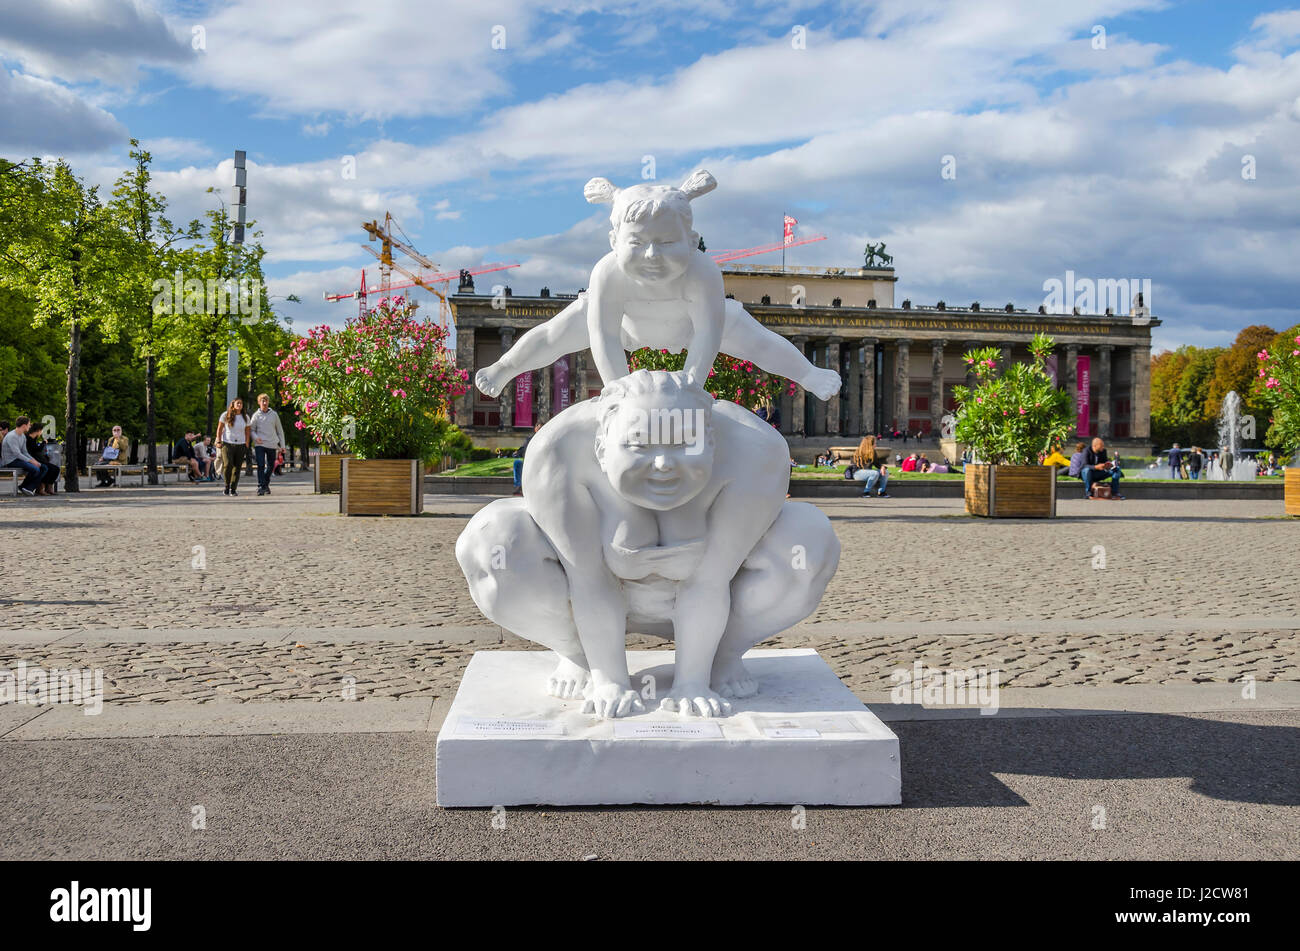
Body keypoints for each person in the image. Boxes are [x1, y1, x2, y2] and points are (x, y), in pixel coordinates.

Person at [471, 170, 842, 406]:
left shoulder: (702, 272)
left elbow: (709, 335)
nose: (651, 255)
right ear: (614, 241)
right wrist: (617, 390)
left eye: (666, 244)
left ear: (693, 240)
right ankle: (506, 366)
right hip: (626, 327)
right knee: (555, 333)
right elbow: (603, 337)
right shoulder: (608, 272)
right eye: (637, 244)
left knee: (755, 338)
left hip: (689, 327)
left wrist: (692, 385)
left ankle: (808, 374)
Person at [248, 393, 287, 496]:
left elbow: (280, 431)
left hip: (271, 443)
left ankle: (265, 484)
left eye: (266, 401)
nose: (264, 403)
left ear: (268, 402)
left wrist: (282, 446)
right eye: (262, 401)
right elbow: (251, 430)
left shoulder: (274, 415)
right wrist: (256, 438)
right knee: (260, 465)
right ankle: (261, 486)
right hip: (260, 444)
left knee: (270, 466)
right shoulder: (256, 415)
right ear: (259, 402)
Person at [1, 416, 45, 496]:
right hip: (10, 461)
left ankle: (25, 487)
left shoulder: (22, 436)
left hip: (18, 459)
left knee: (43, 467)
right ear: (24, 425)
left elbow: (24, 452)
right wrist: (32, 461)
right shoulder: (12, 436)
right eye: (29, 424)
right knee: (35, 469)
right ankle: (27, 488)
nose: (30, 426)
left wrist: (34, 460)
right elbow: (17, 454)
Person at [215, 398, 249, 496]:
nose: (239, 405)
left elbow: (247, 431)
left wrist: (246, 443)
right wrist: (218, 440)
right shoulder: (225, 415)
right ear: (233, 404)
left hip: (241, 444)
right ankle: (226, 486)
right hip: (227, 443)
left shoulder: (245, 417)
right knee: (228, 464)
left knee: (237, 467)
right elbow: (219, 429)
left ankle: (233, 489)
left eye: (241, 403)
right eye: (238, 403)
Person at [25, 420, 59, 494]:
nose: (42, 432)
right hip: (31, 460)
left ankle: (48, 487)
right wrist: (43, 443)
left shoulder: (33, 439)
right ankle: (40, 488)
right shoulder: (28, 438)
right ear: (38, 430)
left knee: (56, 469)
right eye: (41, 431)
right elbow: (34, 449)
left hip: (36, 459)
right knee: (48, 468)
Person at [512, 421, 542, 496]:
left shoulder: (547, 439)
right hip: (528, 463)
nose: (540, 430)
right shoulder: (529, 439)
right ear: (535, 429)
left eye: (541, 428)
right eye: (538, 428)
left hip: (540, 464)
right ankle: (519, 487)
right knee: (517, 463)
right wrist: (517, 452)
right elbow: (523, 448)